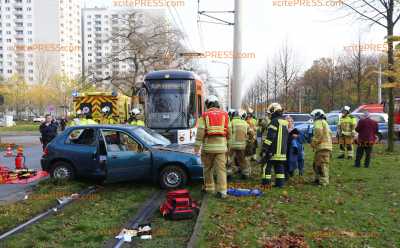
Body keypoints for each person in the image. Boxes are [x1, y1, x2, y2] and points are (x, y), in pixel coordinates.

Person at [194, 95, 230, 199]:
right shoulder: (225, 115)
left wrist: (196, 148)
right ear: (217, 104)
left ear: (208, 104)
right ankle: (222, 192)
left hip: (208, 149)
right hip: (221, 148)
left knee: (207, 169)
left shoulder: (204, 115)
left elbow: (200, 133)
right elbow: (229, 131)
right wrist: (228, 144)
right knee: (221, 170)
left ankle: (209, 189)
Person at [260, 103, 288, 188]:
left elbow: (270, 137)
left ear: (274, 111)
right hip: (282, 151)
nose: (269, 114)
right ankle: (280, 184)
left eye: (270, 112)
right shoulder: (284, 121)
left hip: (273, 150)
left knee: (267, 165)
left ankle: (266, 183)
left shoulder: (274, 121)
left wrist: (264, 148)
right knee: (279, 167)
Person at [227, 109, 253, 180]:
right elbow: (251, 133)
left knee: (229, 159)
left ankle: (228, 174)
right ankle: (245, 174)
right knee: (242, 159)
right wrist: (249, 140)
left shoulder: (231, 122)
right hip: (242, 145)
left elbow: (227, 132)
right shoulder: (245, 123)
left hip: (232, 145)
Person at [310, 109, 332, 186]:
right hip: (324, 147)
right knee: (316, 164)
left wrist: (313, 142)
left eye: (313, 116)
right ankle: (318, 179)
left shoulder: (318, 122)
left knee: (322, 165)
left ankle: (323, 182)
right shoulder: (324, 122)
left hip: (322, 147)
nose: (313, 118)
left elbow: (318, 133)